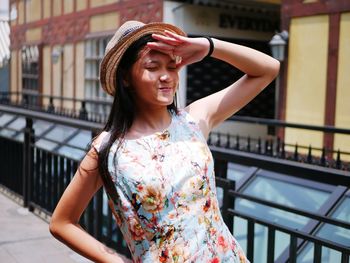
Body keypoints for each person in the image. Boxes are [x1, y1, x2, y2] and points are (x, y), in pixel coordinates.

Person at [49, 20, 279, 263]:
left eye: (172, 67)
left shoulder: (194, 120)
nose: (166, 77)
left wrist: (208, 46)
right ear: (125, 77)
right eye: (153, 67)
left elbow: (268, 69)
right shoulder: (107, 150)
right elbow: (62, 223)